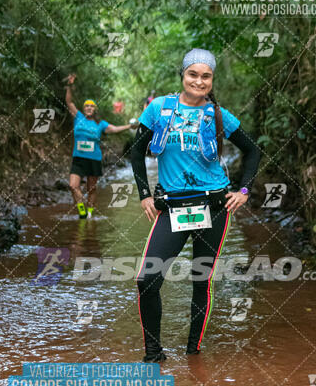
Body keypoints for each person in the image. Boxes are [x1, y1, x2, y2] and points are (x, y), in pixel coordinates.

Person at [131, 48, 261, 362]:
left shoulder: (218, 115)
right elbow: (136, 152)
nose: (198, 81)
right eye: (193, 74)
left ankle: (193, 354)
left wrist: (243, 190)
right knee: (147, 279)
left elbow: (253, 151)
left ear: (212, 80)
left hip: (214, 207)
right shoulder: (160, 108)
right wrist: (144, 195)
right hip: (172, 208)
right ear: (183, 75)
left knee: (200, 279)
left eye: (205, 76)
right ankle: (153, 355)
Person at [65, 73, 134, 219]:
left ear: (95, 109)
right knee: (73, 186)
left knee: (91, 188)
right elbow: (69, 102)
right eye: (87, 106)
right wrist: (70, 86)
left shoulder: (100, 124)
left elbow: (114, 129)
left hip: (94, 159)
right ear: (84, 109)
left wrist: (129, 126)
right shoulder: (78, 117)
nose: (89, 108)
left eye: (92, 106)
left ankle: (89, 213)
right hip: (78, 158)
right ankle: (81, 209)